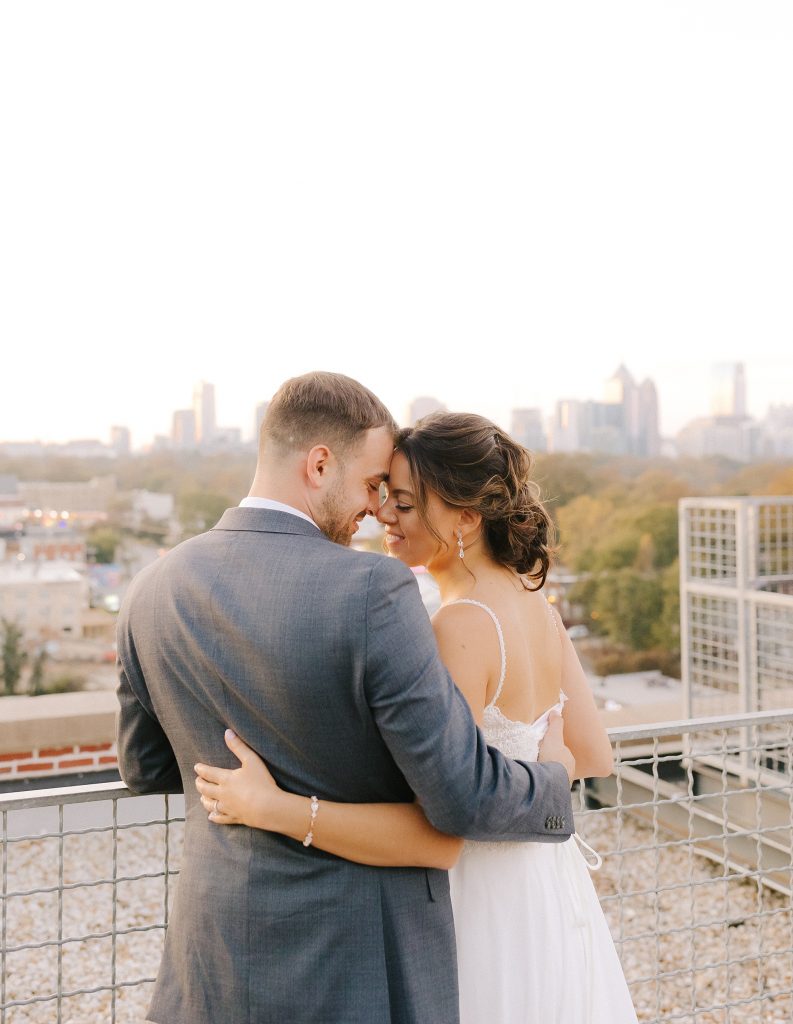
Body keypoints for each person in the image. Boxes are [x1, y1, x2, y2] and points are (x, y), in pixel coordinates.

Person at [116, 373, 576, 1024]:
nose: (375, 510)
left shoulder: (148, 588)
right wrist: (554, 787)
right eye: (369, 486)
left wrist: (255, 786)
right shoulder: (372, 591)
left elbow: (146, 768)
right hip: (353, 970)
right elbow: (460, 795)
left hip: (210, 961)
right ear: (319, 463)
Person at [195, 411, 639, 1024]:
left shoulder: (459, 626)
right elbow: (591, 755)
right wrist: (550, 762)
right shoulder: (534, 603)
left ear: (465, 515)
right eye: (383, 495)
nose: (382, 515)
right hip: (545, 886)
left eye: (403, 503)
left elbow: (431, 821)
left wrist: (274, 808)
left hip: (480, 901)